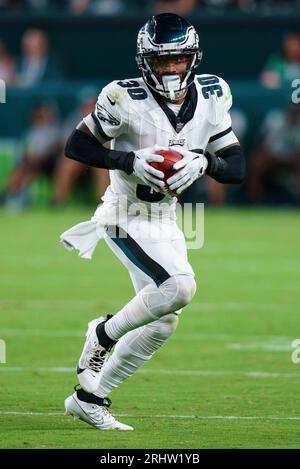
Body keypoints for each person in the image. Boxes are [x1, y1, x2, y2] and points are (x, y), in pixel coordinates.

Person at [60, 13, 245, 430]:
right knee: (179, 286)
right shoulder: (123, 97)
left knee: (164, 321)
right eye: (162, 62)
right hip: (123, 214)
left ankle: (89, 399)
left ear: (192, 58)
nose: (171, 69)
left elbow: (236, 167)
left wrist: (204, 161)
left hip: (164, 218)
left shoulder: (214, 94)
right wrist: (127, 160)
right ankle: (103, 334)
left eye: (178, 60)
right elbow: (77, 145)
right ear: (146, 62)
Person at [248, 103, 300, 204]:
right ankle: (255, 202)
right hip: (271, 156)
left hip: (291, 159)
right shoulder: (274, 119)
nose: (294, 114)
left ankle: (297, 203)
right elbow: (262, 143)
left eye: (297, 112)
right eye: (293, 111)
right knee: (256, 163)